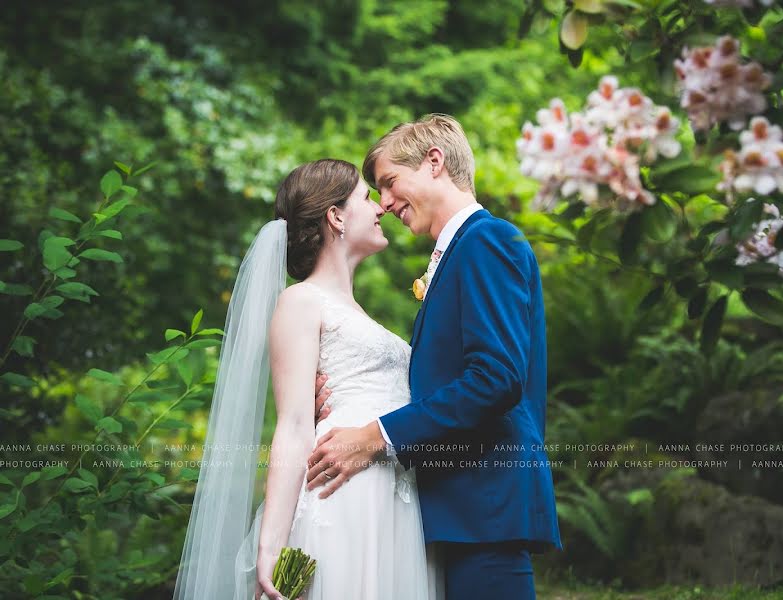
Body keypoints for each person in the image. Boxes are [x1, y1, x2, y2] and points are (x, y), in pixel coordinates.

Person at [306, 115, 562, 600]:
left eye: (389, 182)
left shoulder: (487, 241)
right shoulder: (463, 251)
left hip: (484, 506)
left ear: (434, 162)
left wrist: (376, 435)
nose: (384, 202)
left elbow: (495, 379)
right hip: (461, 509)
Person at [172, 159, 442, 600]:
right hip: (345, 496)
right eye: (366, 198)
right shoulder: (300, 302)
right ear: (335, 216)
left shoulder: (355, 312)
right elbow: (294, 426)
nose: (381, 208)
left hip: (394, 497)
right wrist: (271, 547)